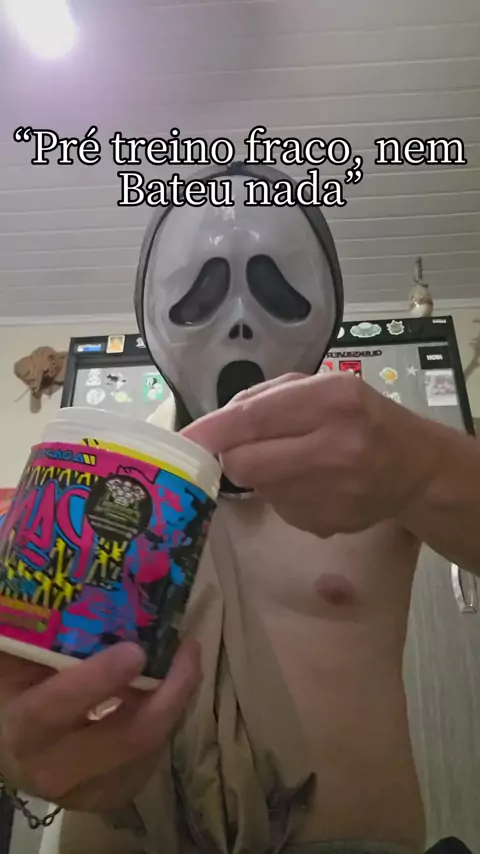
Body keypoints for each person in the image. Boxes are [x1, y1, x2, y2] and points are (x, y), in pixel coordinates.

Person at [0, 165, 479, 854]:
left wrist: (425, 467)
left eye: (277, 288)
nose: (242, 323)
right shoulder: (92, 486)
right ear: (153, 319)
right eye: (199, 295)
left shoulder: (378, 464)